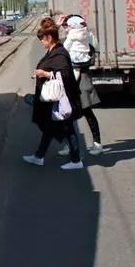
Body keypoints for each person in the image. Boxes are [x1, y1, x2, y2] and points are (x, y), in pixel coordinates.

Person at [24, 17, 85, 170]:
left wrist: (46, 74)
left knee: (66, 129)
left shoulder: (59, 53)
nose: (41, 42)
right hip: (55, 101)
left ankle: (75, 160)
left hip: (61, 100)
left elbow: (64, 75)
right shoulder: (54, 50)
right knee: (55, 127)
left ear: (49, 38)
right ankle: (39, 156)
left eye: (42, 39)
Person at [59, 15, 104, 156]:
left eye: (67, 26)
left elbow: (63, 51)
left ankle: (96, 144)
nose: (66, 28)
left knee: (85, 111)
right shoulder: (87, 34)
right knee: (69, 114)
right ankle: (74, 145)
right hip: (76, 76)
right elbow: (96, 48)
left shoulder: (73, 37)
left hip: (80, 77)